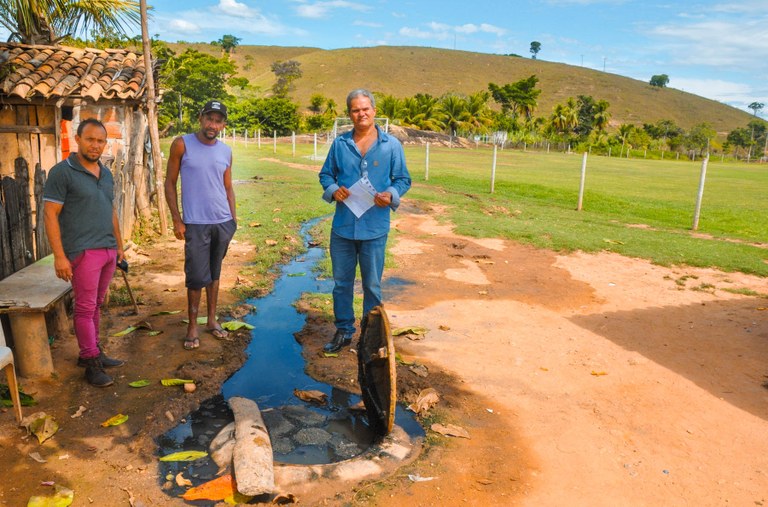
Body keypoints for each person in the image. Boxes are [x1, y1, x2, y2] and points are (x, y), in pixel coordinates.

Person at [318, 89, 412, 353]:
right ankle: (344, 331)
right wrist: (334, 189)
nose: (361, 114)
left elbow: (403, 180)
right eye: (355, 110)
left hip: (375, 227)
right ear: (350, 114)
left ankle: (371, 337)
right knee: (341, 283)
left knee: (372, 284)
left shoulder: (391, 145)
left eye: (365, 109)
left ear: (374, 111)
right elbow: (325, 175)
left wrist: (390, 195)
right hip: (344, 227)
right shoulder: (340, 144)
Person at [43, 118, 126, 387]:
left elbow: (110, 210)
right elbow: (50, 215)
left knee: (96, 305)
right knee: (85, 307)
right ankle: (90, 362)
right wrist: (59, 255)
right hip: (83, 250)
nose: (95, 145)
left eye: (100, 140)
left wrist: (119, 245)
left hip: (108, 249)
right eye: (90, 139)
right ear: (77, 139)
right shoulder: (62, 172)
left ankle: (93, 352)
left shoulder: (107, 173)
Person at [165, 100, 237, 350]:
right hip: (195, 223)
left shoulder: (225, 151)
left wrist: (233, 220)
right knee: (196, 276)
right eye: (209, 119)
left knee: (214, 273)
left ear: (223, 124)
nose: (212, 125)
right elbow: (169, 183)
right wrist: (177, 218)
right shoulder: (182, 144)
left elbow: (228, 187)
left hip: (222, 222)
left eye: (218, 121)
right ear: (200, 118)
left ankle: (212, 321)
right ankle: (192, 326)